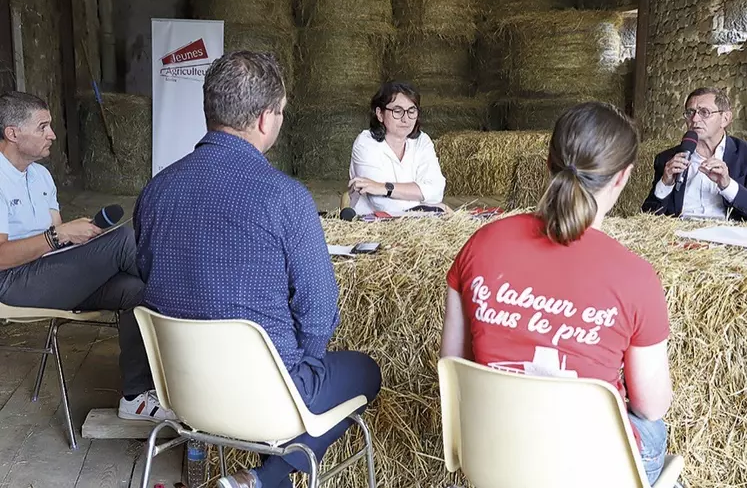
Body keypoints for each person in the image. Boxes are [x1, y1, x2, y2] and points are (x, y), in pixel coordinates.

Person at [134, 51, 382, 488]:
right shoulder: (286, 198)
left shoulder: (156, 191)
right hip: (270, 398)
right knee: (368, 372)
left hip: (184, 396)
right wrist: (301, 370)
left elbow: (149, 274)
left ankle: (254, 480)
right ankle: (265, 479)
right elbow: (320, 312)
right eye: (282, 113)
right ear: (266, 119)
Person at [440, 102, 673, 485]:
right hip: (589, 469)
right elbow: (651, 404)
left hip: (492, 455)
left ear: (548, 164)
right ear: (622, 177)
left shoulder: (479, 245)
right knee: (653, 429)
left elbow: (452, 362)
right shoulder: (636, 276)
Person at [0, 91, 168, 422]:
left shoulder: (40, 175)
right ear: (12, 133)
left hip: (51, 272)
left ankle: (135, 398)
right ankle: (206, 295)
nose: (52, 134)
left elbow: (59, 244)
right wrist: (59, 236)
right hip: (11, 281)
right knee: (127, 239)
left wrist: (86, 240)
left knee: (139, 290)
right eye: (43, 126)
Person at [642, 87, 747, 220]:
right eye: (690, 112)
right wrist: (665, 184)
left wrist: (727, 185)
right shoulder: (667, 159)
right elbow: (647, 216)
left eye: (705, 112)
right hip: (679, 236)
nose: (695, 119)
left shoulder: (744, 155)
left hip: (728, 237)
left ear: (725, 118)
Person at [348, 81, 447, 215]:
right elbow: (382, 203)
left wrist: (384, 188)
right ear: (380, 114)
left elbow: (436, 191)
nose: (406, 119)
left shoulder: (422, 141)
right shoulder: (365, 143)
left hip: (422, 223)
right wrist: (430, 207)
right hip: (372, 225)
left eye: (411, 111)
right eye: (397, 111)